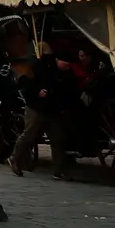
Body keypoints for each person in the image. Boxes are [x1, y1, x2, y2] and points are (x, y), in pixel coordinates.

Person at [11, 48, 78, 178]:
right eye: (65, 64)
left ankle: (59, 169)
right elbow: (24, 81)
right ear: (58, 60)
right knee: (29, 134)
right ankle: (15, 158)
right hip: (36, 106)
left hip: (53, 109)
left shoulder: (68, 73)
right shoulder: (40, 67)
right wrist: (37, 91)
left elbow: (71, 90)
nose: (67, 67)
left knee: (57, 138)